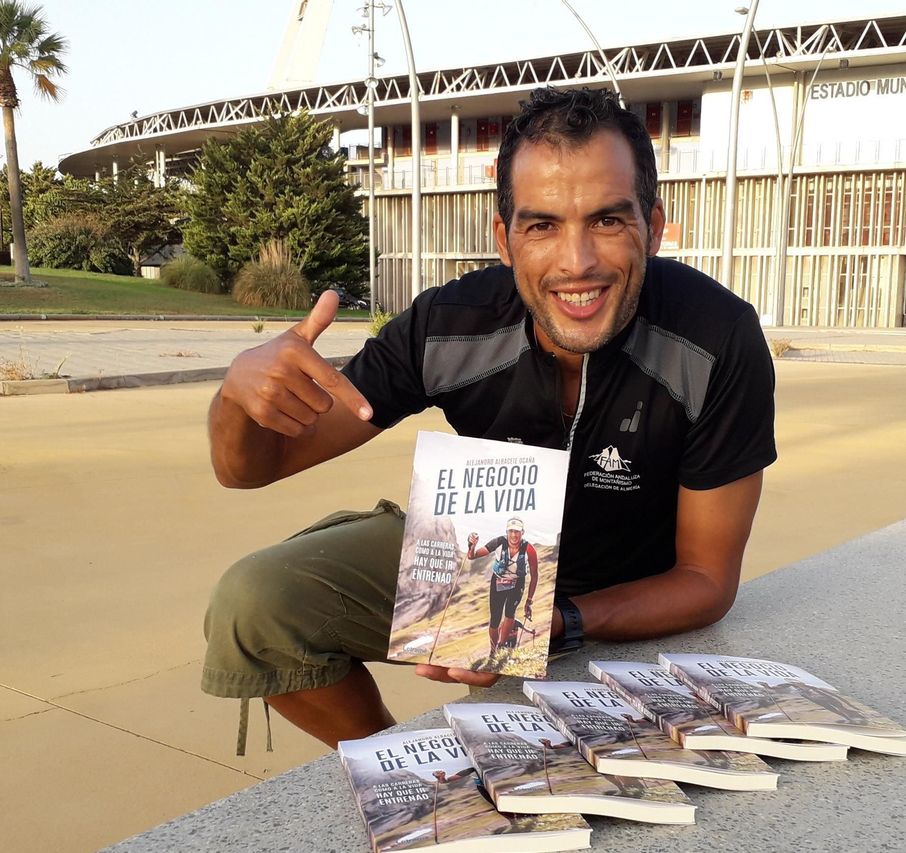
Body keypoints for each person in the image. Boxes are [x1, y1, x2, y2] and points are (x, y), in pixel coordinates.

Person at [204, 85, 777, 752]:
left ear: (653, 223)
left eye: (608, 221)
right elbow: (251, 468)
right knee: (257, 601)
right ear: (504, 239)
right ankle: (401, 761)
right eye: (543, 225)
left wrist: (553, 621)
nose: (577, 262)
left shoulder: (717, 337)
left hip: (632, 589)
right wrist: (239, 400)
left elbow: (705, 581)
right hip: (492, 558)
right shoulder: (447, 326)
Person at [463, 517, 539, 666]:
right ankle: (493, 650)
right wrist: (472, 545)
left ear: (522, 532)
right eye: (511, 531)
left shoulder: (529, 549)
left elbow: (535, 575)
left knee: (510, 612)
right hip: (498, 582)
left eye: (517, 531)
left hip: (517, 583)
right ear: (507, 532)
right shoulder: (498, 542)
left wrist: (529, 601)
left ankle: (502, 645)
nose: (514, 535)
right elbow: (472, 556)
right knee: (495, 619)